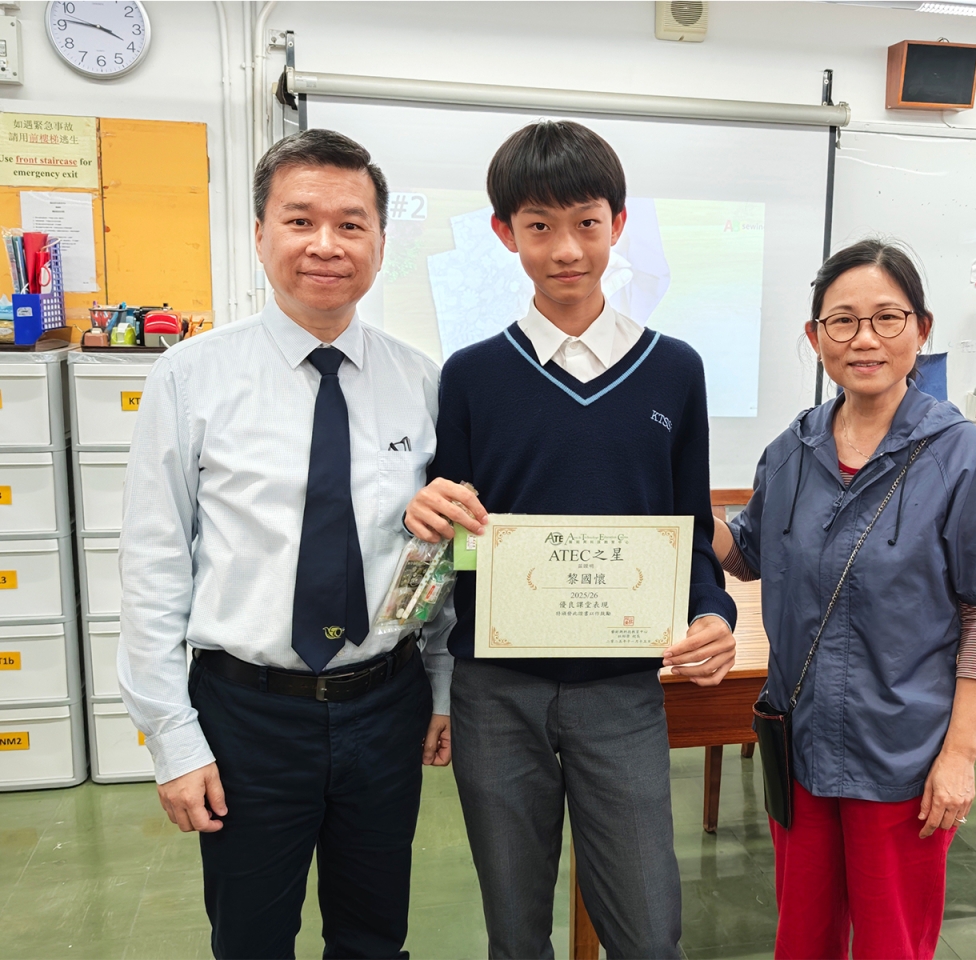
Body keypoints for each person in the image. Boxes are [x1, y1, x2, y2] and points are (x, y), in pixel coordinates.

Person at [405, 119, 737, 960]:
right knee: (515, 931)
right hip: (496, 694)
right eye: (539, 225)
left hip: (621, 688)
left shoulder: (675, 370)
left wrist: (713, 613)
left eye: (586, 222)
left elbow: (691, 532)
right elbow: (458, 544)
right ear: (504, 233)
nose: (565, 249)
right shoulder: (472, 376)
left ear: (618, 224)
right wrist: (433, 516)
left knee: (648, 931)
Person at [117, 129, 453, 960]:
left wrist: (442, 688)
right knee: (251, 939)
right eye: (301, 221)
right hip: (246, 714)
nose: (326, 245)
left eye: (351, 224)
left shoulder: (422, 381)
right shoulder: (190, 377)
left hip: (385, 704)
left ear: (380, 242)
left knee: (375, 936)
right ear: (261, 233)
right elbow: (154, 564)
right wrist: (171, 739)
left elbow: (442, 551)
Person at [714, 240, 976, 960]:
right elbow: (748, 558)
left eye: (887, 318)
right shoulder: (790, 451)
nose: (865, 339)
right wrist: (685, 507)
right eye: (842, 320)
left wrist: (959, 756)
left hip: (902, 755)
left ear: (921, 330)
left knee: (893, 943)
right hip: (799, 742)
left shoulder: (961, 454)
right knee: (802, 939)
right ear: (815, 337)